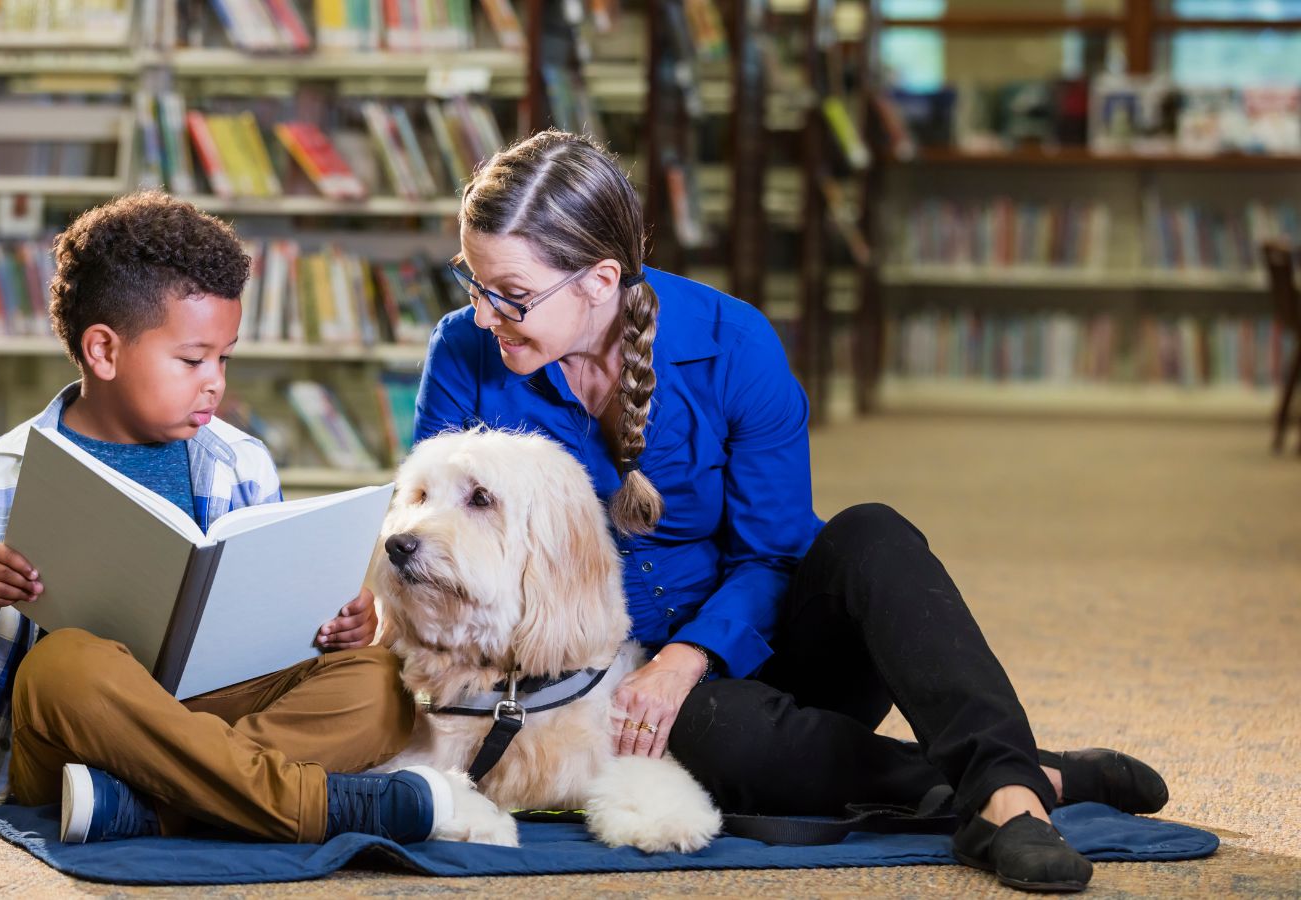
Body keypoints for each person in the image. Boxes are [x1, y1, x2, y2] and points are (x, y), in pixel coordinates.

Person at [413, 131, 1168, 893]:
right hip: (596, 690)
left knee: (871, 533)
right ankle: (1029, 778)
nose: (483, 314)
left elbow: (772, 554)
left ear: (600, 280)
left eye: (509, 293)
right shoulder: (460, 352)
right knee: (717, 735)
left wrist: (687, 657)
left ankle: (1008, 801)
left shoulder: (735, 343)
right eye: (471, 283)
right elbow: (427, 522)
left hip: (759, 649)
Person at [0, 192, 451, 847]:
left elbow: (273, 629)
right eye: (193, 359)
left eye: (224, 358)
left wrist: (340, 624)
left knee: (381, 685)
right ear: (103, 351)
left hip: (209, 713)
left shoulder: (243, 462)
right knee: (62, 665)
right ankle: (307, 805)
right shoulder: (3, 469)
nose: (215, 382)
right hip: (78, 728)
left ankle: (143, 807)